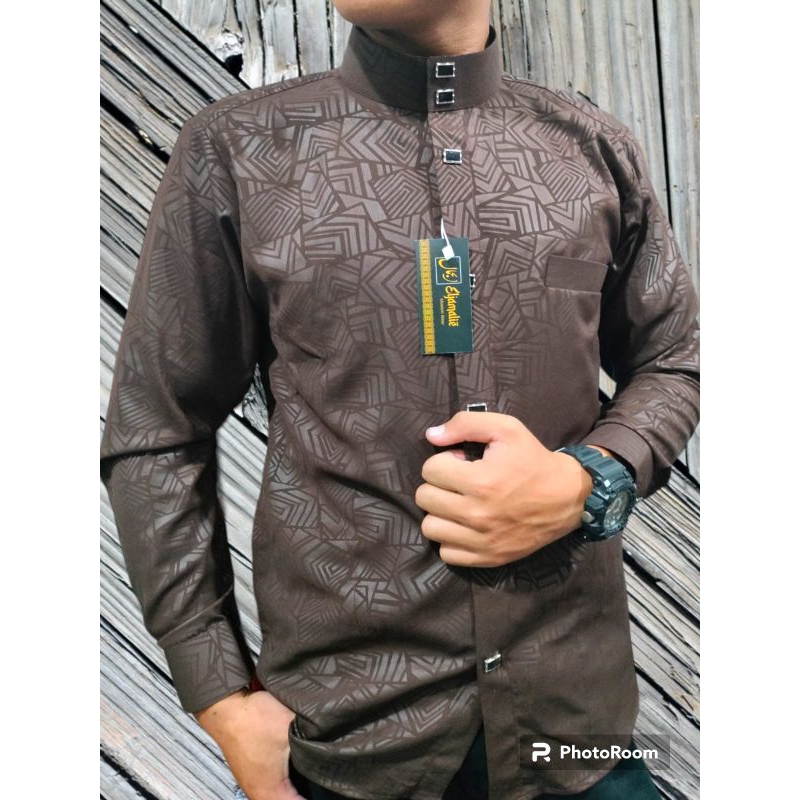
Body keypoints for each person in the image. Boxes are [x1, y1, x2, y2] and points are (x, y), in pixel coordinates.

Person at [99, 1, 699, 798]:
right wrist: (221, 698)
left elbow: (675, 359)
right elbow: (157, 430)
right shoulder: (241, 151)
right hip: (348, 754)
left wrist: (589, 479)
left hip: (580, 744)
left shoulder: (590, 150)